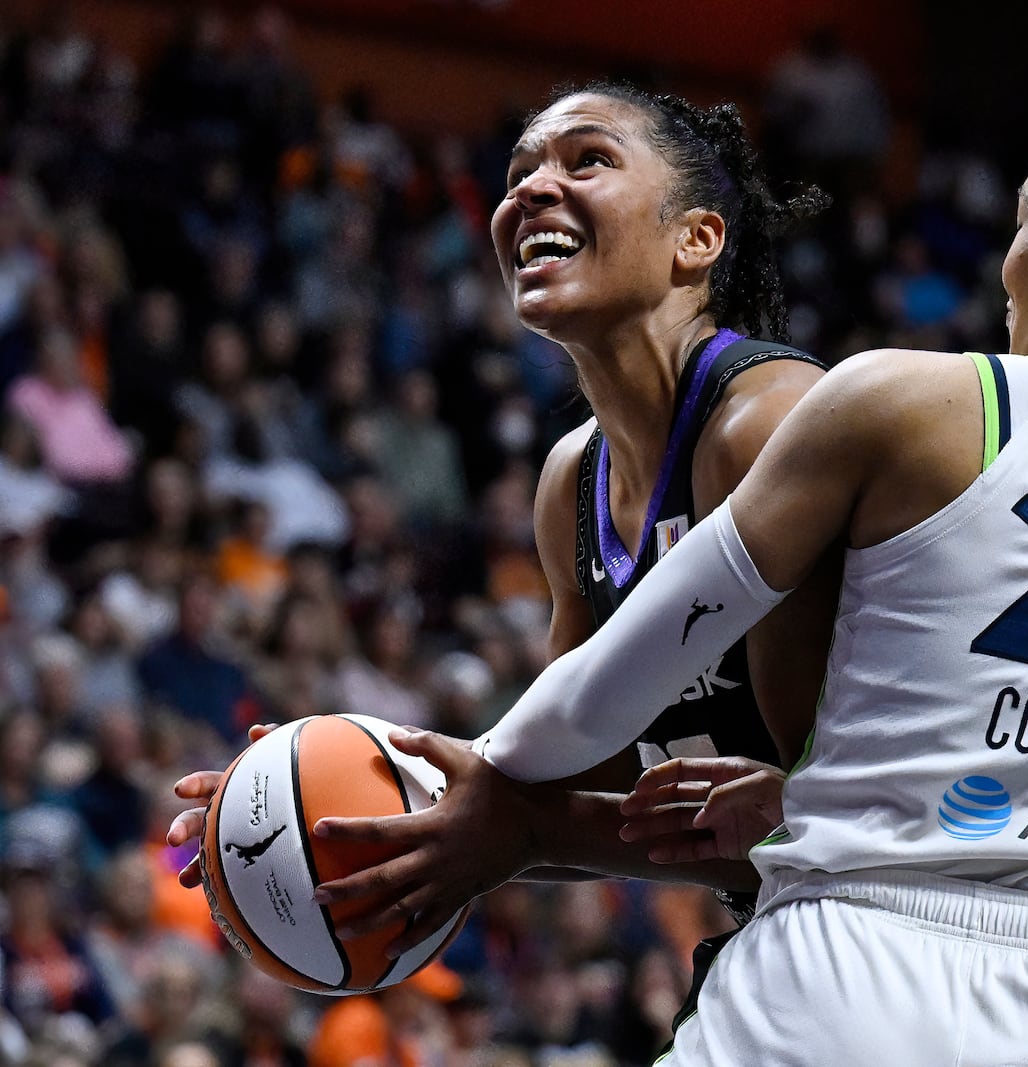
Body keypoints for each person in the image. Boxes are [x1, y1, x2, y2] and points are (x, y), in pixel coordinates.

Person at [418, 27, 1028, 1065]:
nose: (1005, 266)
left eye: (1022, 225)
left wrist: (478, 779)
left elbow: (634, 662)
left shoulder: (918, 399)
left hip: (864, 959)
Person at [167, 85, 838, 936]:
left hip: (913, 916)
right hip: (789, 923)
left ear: (696, 239)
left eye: (587, 159)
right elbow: (568, 779)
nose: (528, 190)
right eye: (519, 171)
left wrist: (510, 828)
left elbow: (826, 813)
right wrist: (334, 796)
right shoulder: (571, 482)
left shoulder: (763, 427)